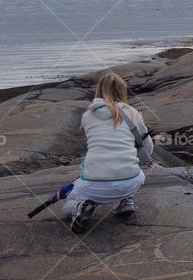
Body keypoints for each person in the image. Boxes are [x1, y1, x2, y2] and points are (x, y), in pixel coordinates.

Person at [62, 72, 153, 233]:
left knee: (65, 207)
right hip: (130, 181)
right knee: (132, 167)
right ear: (122, 90)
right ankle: (127, 200)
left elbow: (95, 145)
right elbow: (148, 147)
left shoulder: (88, 116)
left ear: (99, 90)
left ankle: (79, 206)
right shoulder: (133, 113)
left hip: (94, 185)